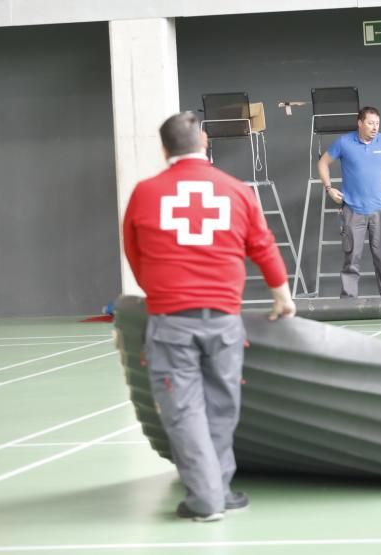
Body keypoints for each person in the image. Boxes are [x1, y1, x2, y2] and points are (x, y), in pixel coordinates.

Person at [122, 111, 296, 521]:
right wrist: (281, 296)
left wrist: (161, 292)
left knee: (184, 408)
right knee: (221, 405)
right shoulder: (236, 190)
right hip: (223, 318)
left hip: (171, 320)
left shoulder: (145, 193)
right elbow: (263, 246)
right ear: (204, 145)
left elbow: (134, 252)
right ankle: (216, 487)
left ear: (164, 149)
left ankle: (206, 497)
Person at [318, 106, 381, 298]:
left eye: (377, 123)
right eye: (370, 123)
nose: (374, 127)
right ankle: (348, 300)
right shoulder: (344, 142)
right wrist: (329, 188)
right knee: (352, 257)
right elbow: (323, 163)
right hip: (352, 208)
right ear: (359, 123)